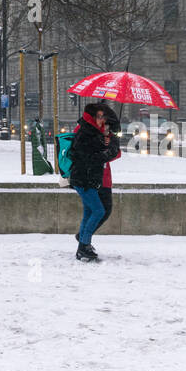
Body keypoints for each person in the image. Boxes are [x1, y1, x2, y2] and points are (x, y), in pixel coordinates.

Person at [68, 103, 122, 262]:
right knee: (99, 211)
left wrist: (110, 139)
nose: (102, 119)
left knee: (90, 212)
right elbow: (87, 156)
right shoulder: (86, 132)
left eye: (103, 116)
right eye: (99, 116)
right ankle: (84, 244)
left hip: (90, 179)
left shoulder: (95, 131)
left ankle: (83, 247)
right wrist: (105, 151)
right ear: (92, 117)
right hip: (84, 179)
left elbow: (111, 152)